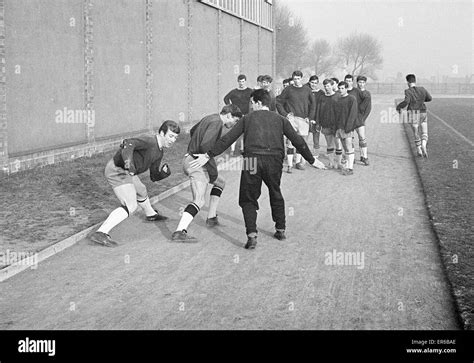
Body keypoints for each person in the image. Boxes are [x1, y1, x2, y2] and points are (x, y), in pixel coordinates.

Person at [190, 89, 326, 250]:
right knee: (275, 191)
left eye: (252, 102)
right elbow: (298, 141)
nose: (251, 105)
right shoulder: (281, 120)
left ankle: (252, 235)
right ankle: (280, 229)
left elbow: (228, 139)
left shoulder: (247, 119)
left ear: (258, 103)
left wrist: (208, 155)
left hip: (252, 160)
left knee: (248, 197)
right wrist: (312, 160)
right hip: (274, 160)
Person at [89, 121, 180, 247]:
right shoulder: (150, 141)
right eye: (170, 136)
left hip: (128, 172)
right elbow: (128, 143)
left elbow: (153, 176)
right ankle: (101, 232)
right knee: (131, 205)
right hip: (118, 170)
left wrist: (163, 174)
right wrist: (129, 165)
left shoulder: (159, 152)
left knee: (141, 189)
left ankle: (151, 214)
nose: (173, 140)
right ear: (162, 133)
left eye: (175, 137)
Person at [172, 105, 242, 242]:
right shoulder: (217, 122)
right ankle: (179, 231)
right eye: (235, 120)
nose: (235, 123)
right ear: (228, 115)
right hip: (196, 162)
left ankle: (211, 218)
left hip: (193, 159)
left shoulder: (210, 117)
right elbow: (205, 146)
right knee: (199, 200)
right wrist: (209, 163)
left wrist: (196, 145)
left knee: (220, 182)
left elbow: (193, 131)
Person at [276, 70, 316, 172]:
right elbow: (279, 102)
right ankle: (289, 165)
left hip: (303, 119)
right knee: (290, 141)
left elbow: (313, 105)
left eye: (298, 79)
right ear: (292, 79)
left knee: (300, 142)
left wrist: (309, 117)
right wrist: (285, 114)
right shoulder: (288, 89)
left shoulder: (307, 90)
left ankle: (297, 162)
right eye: (294, 79)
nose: (296, 81)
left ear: (301, 79)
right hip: (292, 119)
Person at [396, 74, 432, 157]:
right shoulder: (422, 89)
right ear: (415, 81)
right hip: (423, 112)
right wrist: (422, 99)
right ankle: (424, 144)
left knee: (416, 133)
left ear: (408, 82)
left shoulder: (408, 91)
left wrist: (399, 107)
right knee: (424, 132)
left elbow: (406, 101)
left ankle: (419, 149)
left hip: (413, 113)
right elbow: (429, 98)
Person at [223, 74, 253, 156]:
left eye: (243, 81)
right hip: (236, 115)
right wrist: (231, 107)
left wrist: (251, 109)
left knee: (245, 132)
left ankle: (242, 149)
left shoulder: (250, 91)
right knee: (234, 132)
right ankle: (232, 150)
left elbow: (255, 98)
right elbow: (225, 98)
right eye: (240, 82)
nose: (241, 83)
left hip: (246, 114)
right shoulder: (234, 92)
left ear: (245, 81)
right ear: (238, 82)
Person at [315, 79, 340, 169]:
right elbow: (318, 111)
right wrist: (318, 123)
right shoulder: (322, 97)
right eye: (325, 86)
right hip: (325, 124)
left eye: (328, 86)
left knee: (338, 144)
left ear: (332, 86)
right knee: (329, 144)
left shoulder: (338, 96)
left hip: (336, 125)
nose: (326, 88)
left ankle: (339, 162)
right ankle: (331, 162)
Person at [335, 81, 358, 175]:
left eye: (342, 88)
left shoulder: (351, 99)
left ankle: (350, 168)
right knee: (344, 148)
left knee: (349, 148)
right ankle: (347, 166)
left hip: (347, 128)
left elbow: (353, 114)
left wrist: (348, 127)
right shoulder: (338, 100)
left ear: (346, 88)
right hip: (339, 127)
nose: (340, 90)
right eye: (339, 88)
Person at [354, 75, 372, 165]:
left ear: (365, 83)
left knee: (362, 137)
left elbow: (368, 109)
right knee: (350, 137)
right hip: (351, 117)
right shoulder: (353, 92)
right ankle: (351, 156)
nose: (361, 84)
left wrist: (362, 119)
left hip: (360, 118)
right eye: (360, 82)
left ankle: (364, 156)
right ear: (357, 82)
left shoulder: (367, 94)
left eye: (363, 82)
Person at [307, 75, 324, 157]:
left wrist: (317, 120)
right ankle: (304, 155)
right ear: (309, 82)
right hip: (306, 118)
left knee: (316, 139)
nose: (313, 84)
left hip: (316, 119)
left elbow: (321, 108)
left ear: (318, 83)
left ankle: (316, 155)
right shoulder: (306, 91)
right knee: (304, 138)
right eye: (312, 82)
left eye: (315, 83)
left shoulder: (321, 93)